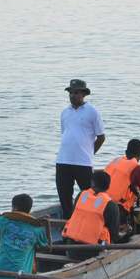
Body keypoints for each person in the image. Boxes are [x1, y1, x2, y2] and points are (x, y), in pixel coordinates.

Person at [55, 78, 105, 219]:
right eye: (70, 93)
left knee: (89, 196)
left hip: (83, 163)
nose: (72, 96)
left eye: (76, 93)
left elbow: (101, 137)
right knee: (64, 197)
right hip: (63, 161)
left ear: (84, 94)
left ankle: (90, 223)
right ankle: (67, 228)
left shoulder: (92, 112)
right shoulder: (65, 112)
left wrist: (89, 153)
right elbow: (65, 134)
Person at [61, 171, 121, 260]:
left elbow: (74, 215)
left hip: (71, 250)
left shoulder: (81, 195)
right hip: (94, 252)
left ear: (93, 183)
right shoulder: (111, 205)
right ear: (108, 186)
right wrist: (125, 232)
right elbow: (114, 235)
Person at [0, 194, 51, 279]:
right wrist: (47, 226)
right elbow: (48, 249)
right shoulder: (37, 230)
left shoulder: (4, 221)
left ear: (14, 208)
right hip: (20, 276)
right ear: (30, 209)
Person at [103, 138, 140, 222]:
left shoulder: (115, 161)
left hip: (100, 204)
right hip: (118, 210)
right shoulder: (139, 169)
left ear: (126, 152)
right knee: (128, 229)